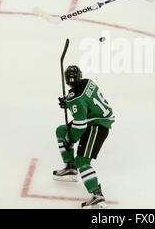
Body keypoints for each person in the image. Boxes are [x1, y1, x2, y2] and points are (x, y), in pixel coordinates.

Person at [53, 65, 115, 209]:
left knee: (82, 160)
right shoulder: (88, 82)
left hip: (98, 125)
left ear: (67, 81)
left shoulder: (75, 98)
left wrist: (70, 140)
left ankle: (97, 195)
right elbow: (82, 98)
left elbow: (80, 125)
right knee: (61, 130)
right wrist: (69, 101)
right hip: (93, 119)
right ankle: (70, 167)